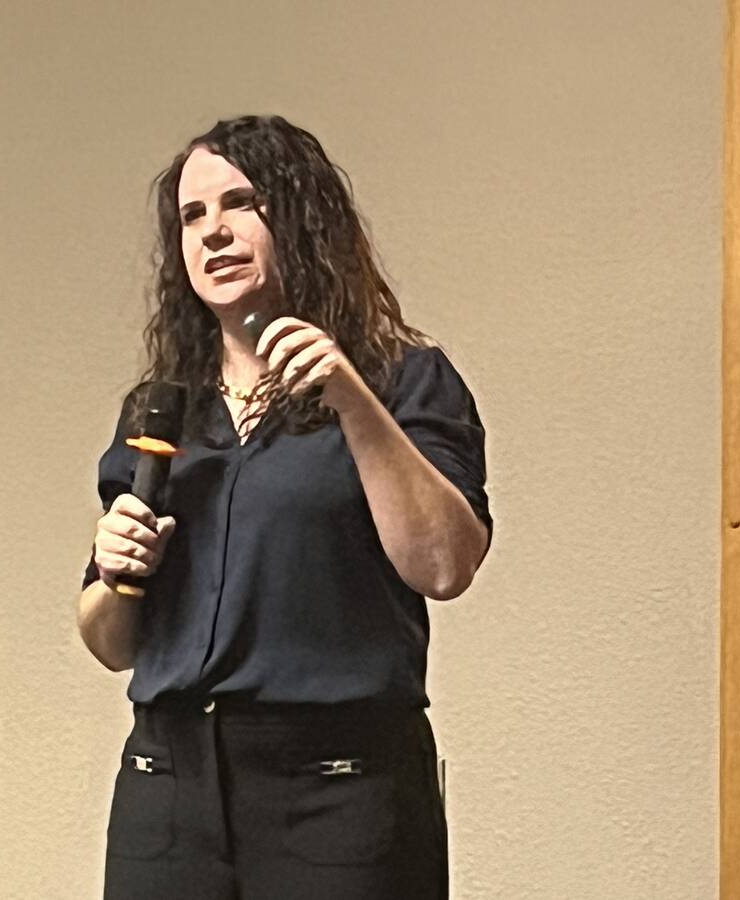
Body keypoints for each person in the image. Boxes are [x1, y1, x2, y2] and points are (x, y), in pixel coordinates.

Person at [76, 115, 493, 900]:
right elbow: (110, 642)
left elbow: (444, 565)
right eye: (192, 217)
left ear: (302, 219)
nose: (214, 233)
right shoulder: (163, 410)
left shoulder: (404, 381)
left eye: (242, 204)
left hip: (338, 789)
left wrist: (351, 400)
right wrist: (114, 572)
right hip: (168, 785)